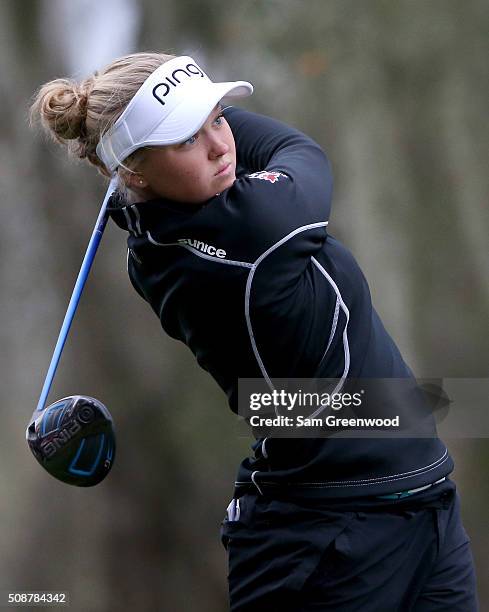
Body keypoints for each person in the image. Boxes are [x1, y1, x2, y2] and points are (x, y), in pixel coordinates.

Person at [30, 52, 478, 611]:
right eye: (187, 139)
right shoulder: (253, 235)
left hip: (411, 505)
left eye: (219, 119)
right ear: (136, 170)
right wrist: (161, 117)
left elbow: (185, 168)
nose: (220, 146)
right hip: (326, 544)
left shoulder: (158, 233)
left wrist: (170, 115)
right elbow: (301, 151)